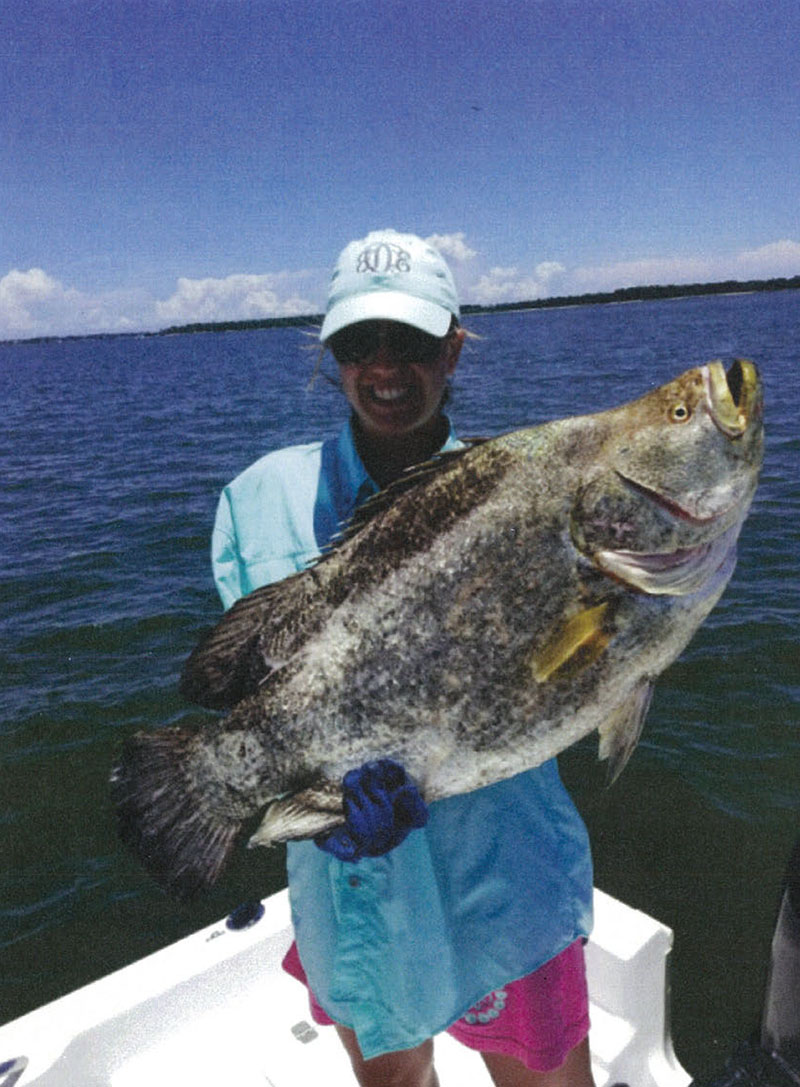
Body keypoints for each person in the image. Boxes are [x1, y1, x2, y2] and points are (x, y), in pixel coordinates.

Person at [210, 229, 595, 1087]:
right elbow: (254, 695)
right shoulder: (256, 498)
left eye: (414, 342)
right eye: (358, 343)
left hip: (507, 877)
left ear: (455, 348)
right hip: (350, 896)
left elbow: (576, 668)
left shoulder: (529, 494)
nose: (386, 368)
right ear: (329, 354)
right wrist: (316, 804)